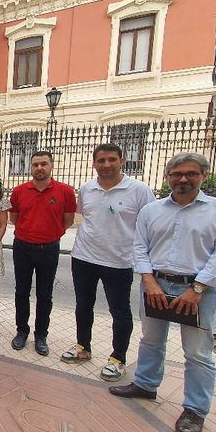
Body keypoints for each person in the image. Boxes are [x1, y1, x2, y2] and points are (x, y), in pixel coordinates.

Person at [110, 153, 216, 432]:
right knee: (151, 340)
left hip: (198, 292)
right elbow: (139, 247)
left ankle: (195, 409)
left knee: (197, 353)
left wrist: (198, 289)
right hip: (155, 285)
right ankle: (145, 384)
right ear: (168, 177)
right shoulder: (152, 211)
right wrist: (149, 281)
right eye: (177, 174)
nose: (183, 179)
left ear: (203, 175)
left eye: (190, 174)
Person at [62, 144, 155, 381]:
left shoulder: (139, 190)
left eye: (111, 159)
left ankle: (118, 358)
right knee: (83, 305)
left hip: (119, 261)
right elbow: (86, 216)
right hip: (84, 257)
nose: (106, 165)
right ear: (94, 163)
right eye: (101, 160)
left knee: (120, 311)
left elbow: (150, 224)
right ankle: (83, 346)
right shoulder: (87, 189)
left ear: (121, 161)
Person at [9, 151, 76, 356]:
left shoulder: (65, 191)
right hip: (22, 247)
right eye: (35, 164)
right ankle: (22, 331)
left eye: (43, 164)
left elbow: (68, 220)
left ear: (51, 166)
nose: (39, 168)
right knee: (21, 291)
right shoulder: (19, 191)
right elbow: (14, 218)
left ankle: (41, 335)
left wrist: (50, 234)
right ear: (31, 167)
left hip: (49, 249)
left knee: (45, 294)